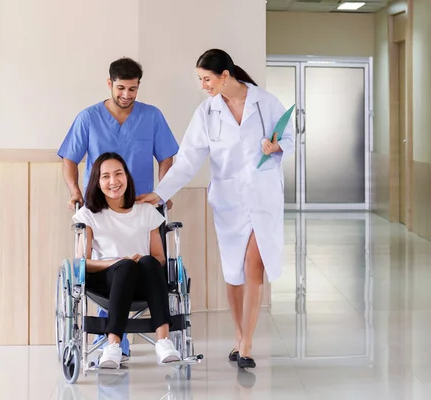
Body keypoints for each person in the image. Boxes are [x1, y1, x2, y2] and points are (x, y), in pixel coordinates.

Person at [138, 49, 295, 369]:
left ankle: (247, 343)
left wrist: (278, 146)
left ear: (226, 76)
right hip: (229, 202)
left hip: (263, 197)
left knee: (255, 265)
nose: (203, 85)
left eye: (206, 79)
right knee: (234, 273)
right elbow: (188, 160)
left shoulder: (265, 103)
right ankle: (239, 336)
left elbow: (290, 136)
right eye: (200, 79)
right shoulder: (207, 113)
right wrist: (159, 192)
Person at [58, 57, 179, 360]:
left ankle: (150, 343)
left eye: (133, 89)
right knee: (116, 263)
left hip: (139, 206)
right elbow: (70, 159)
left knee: (149, 263)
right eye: (121, 88)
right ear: (109, 83)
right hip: (101, 209)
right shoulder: (88, 118)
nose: (126, 95)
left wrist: (162, 191)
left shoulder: (151, 117)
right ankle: (115, 344)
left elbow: (167, 157)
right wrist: (75, 191)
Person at [72, 152, 182, 369]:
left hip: (144, 282)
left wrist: (141, 259)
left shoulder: (146, 211)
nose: (113, 181)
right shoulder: (89, 215)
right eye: (105, 176)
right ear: (97, 181)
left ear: (127, 178)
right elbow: (82, 263)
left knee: (149, 262)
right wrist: (116, 262)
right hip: (106, 282)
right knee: (125, 267)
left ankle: (164, 342)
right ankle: (113, 346)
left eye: (118, 174)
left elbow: (160, 258)